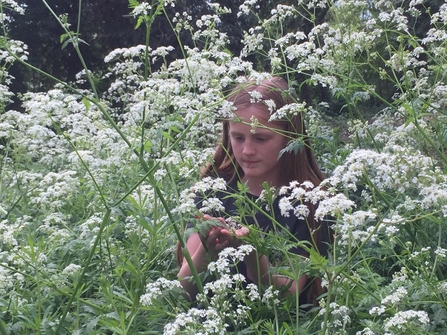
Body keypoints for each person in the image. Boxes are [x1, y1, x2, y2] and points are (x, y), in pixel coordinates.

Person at [177, 76, 330, 306]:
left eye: (261, 138)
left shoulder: (308, 201)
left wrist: (255, 260)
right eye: (238, 137)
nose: (247, 150)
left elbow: (289, 297)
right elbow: (182, 292)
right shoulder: (212, 190)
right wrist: (206, 254)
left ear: (290, 137)